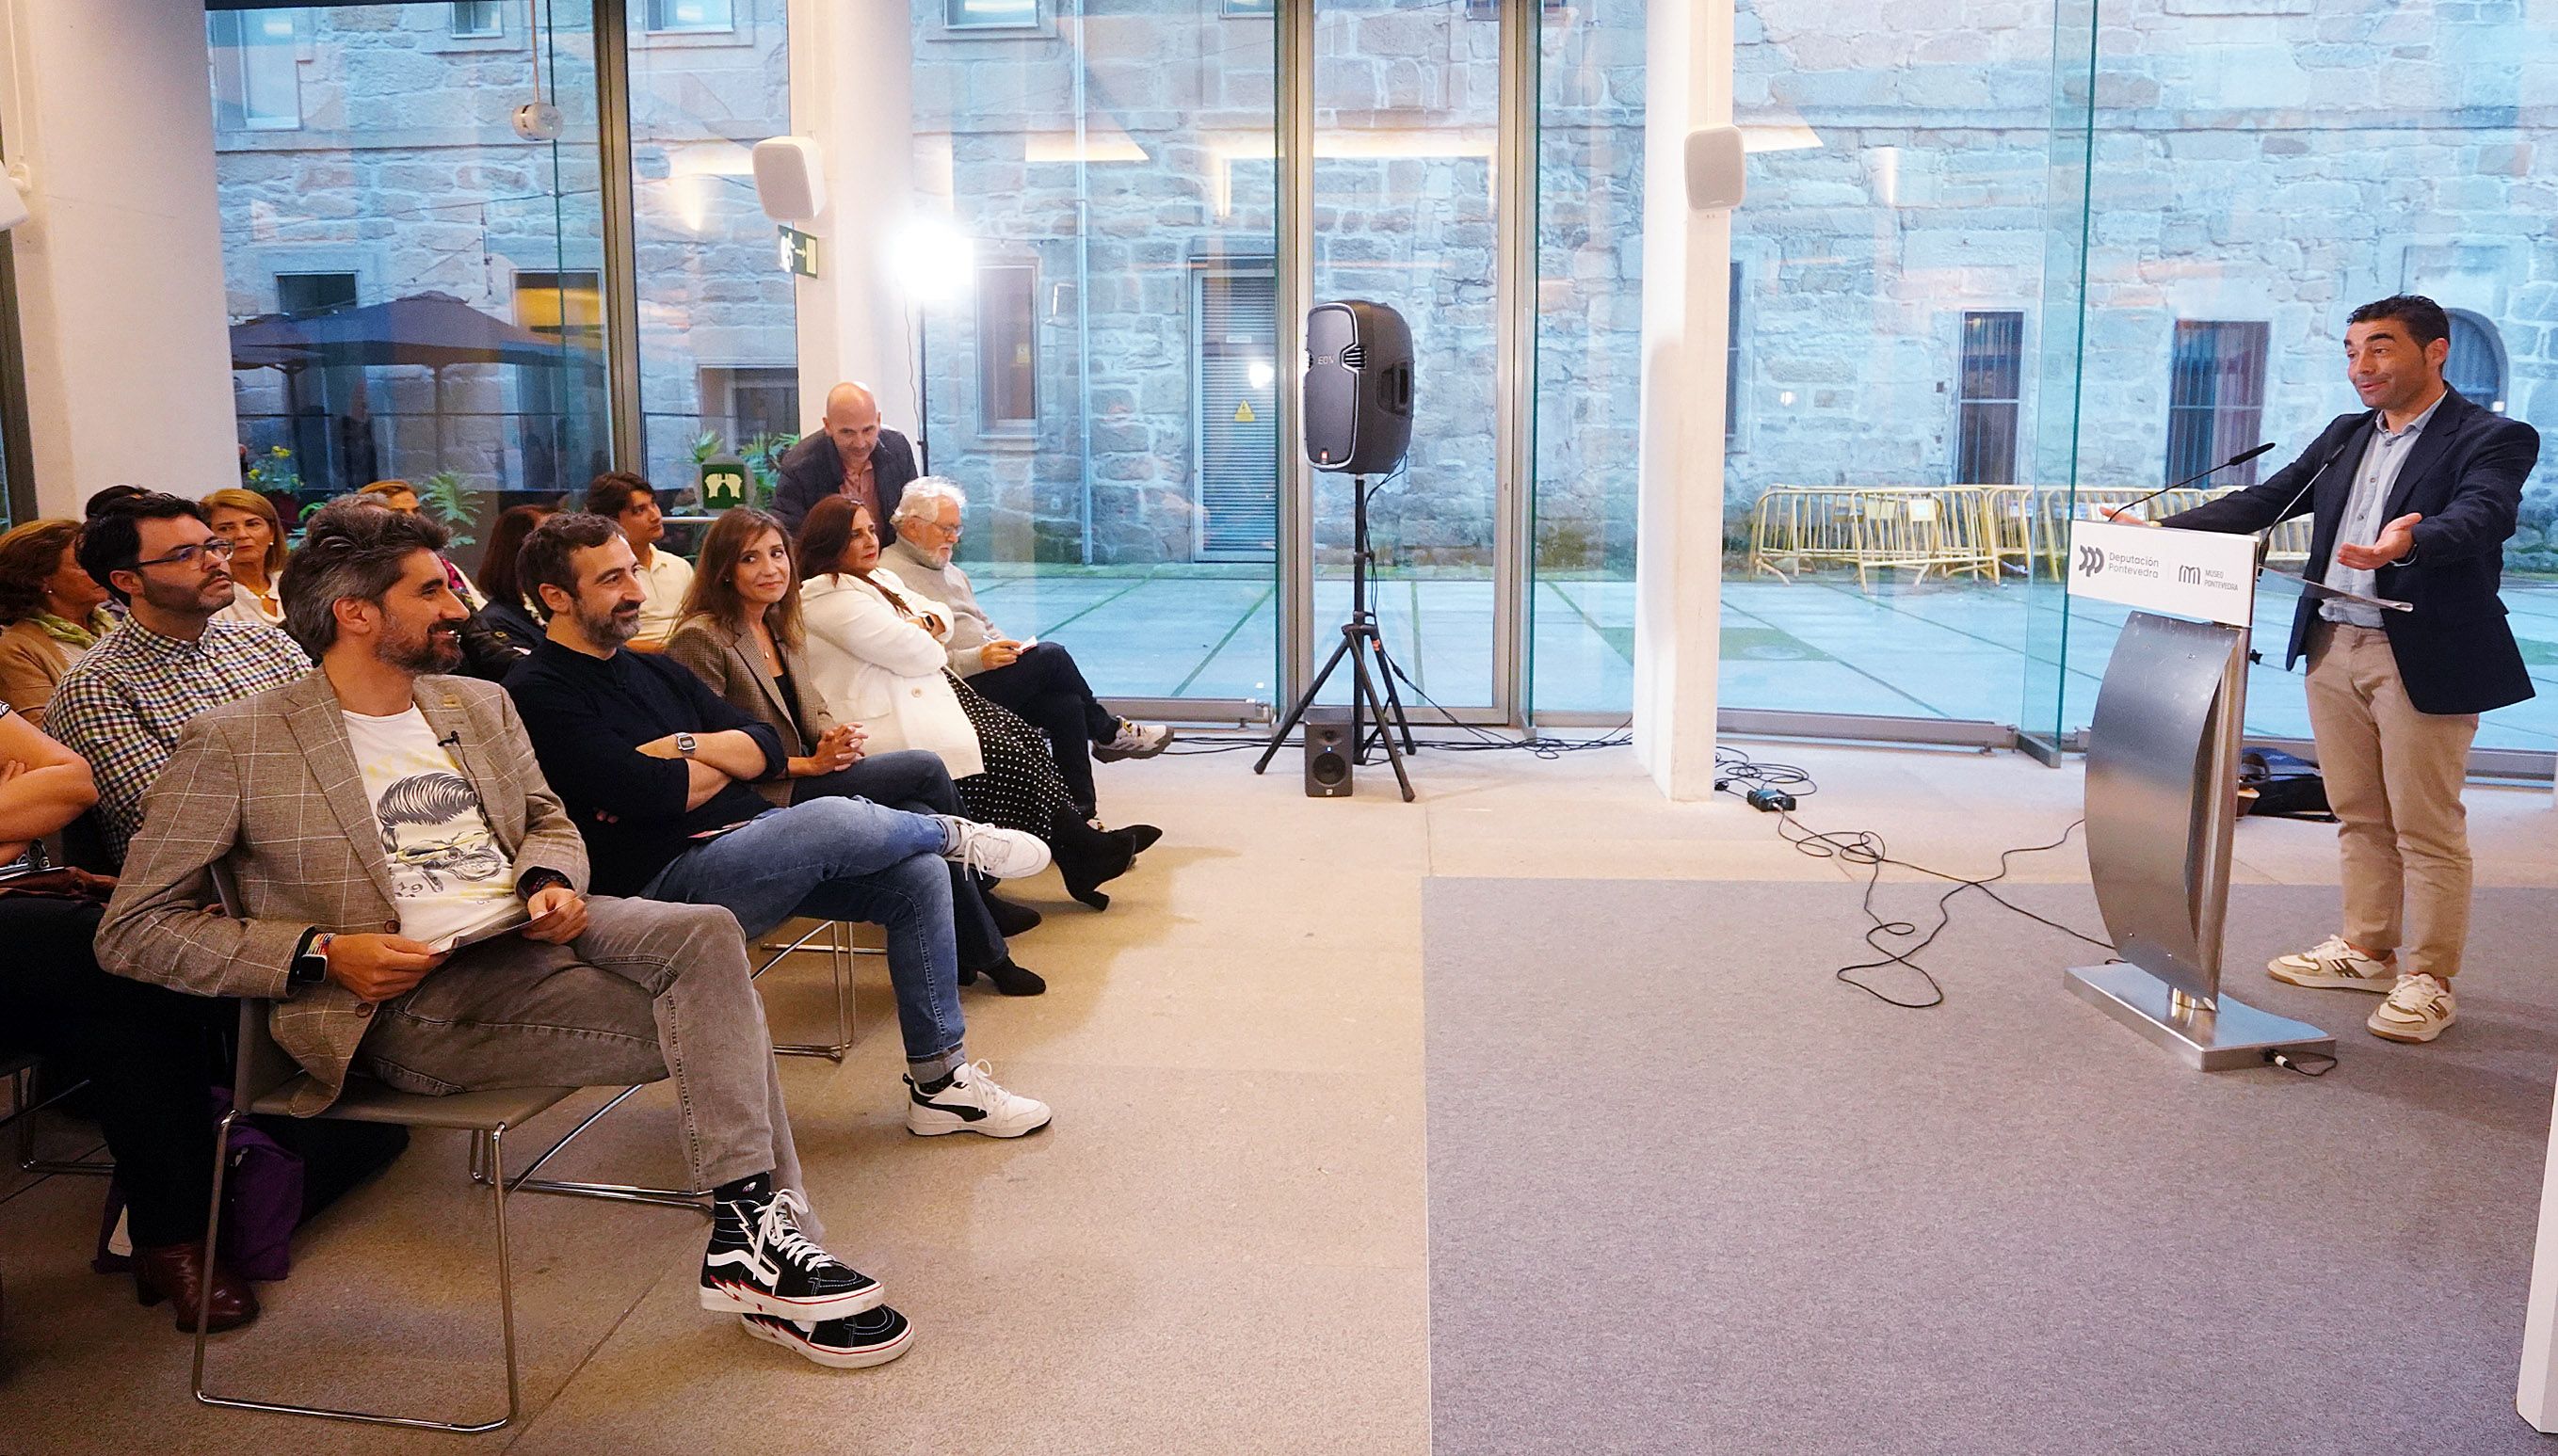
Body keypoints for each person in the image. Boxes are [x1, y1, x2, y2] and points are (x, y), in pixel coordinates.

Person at [92, 498, 916, 1369]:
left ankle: (751, 1242)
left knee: (706, 935)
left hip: (532, 931)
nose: (458, 608)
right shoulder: (239, 742)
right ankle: (768, 1246)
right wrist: (320, 953)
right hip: (409, 997)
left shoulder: (474, 702)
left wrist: (549, 877)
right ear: (356, 613)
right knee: (720, 1024)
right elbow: (133, 930)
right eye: (429, 593)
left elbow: (548, 819)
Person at [502, 511, 1058, 1134]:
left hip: (747, 838)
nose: (635, 590)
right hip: (663, 877)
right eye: (611, 579)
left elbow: (761, 742)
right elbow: (646, 793)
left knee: (917, 877)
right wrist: (716, 758)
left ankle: (939, 1084)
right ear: (555, 596)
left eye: (632, 570)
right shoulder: (536, 690)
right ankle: (956, 835)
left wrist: (685, 746)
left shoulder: (652, 668)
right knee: (823, 816)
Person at [2142, 295, 2541, 1046]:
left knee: (2424, 825)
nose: (2361, 367)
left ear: (2435, 351)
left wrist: (2408, 544)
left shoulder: (2491, 436)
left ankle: (2428, 976)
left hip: (2421, 650)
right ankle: (2367, 948)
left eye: (2380, 349)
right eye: (2352, 351)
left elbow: (2483, 515)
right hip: (2332, 641)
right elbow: (2264, 500)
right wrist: (2159, 533)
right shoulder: (2344, 435)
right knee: (2357, 812)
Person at [666, 507, 1046, 994]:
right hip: (763, 793)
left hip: (810, 772)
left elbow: (813, 705)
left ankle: (980, 942)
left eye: (778, 554)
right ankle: (976, 874)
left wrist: (831, 735)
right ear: (723, 570)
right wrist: (807, 762)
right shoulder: (702, 637)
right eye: (750, 559)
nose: (771, 569)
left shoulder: (780, 622)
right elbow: (702, 749)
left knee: (915, 809)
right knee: (926, 767)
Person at [0, 701, 253, 1333]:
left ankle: (170, 1242)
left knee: (122, 995)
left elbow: (71, 782)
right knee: (127, 955)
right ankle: (277, 981)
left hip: (33, 915)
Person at [797, 498, 1156, 911]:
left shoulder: (878, 577)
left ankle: (1082, 837)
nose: (868, 540)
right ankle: (1086, 823)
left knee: (1052, 714)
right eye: (855, 534)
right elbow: (924, 652)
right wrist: (928, 633)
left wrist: (927, 626)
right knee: (1023, 717)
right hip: (897, 713)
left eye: (870, 530)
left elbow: (941, 617)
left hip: (932, 694)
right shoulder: (828, 593)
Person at [884, 477, 1173, 818]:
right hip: (952, 692)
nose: (953, 539)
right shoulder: (888, 578)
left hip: (989, 677)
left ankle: (1080, 818)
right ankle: (1108, 731)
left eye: (958, 529)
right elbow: (916, 659)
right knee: (1052, 656)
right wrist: (979, 658)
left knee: (1065, 705)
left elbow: (984, 625)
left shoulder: (952, 571)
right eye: (946, 529)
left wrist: (1009, 650)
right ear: (913, 527)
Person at [45, 493, 311, 862]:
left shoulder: (267, 644)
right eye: (185, 555)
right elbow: (178, 825)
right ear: (128, 581)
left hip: (315, 847)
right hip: (214, 887)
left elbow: (338, 753)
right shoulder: (97, 686)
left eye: (214, 547)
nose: (216, 562)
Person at [0, 520, 117, 725]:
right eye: (84, 564)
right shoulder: (15, 649)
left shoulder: (111, 624)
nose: (102, 570)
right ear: (41, 579)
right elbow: (45, 730)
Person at [773, 382, 920, 538]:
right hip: (829, 561)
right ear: (828, 426)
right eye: (848, 432)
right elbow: (790, 537)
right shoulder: (800, 467)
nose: (860, 443)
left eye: (868, 430)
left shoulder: (897, 447)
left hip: (891, 558)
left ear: (878, 420)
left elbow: (915, 513)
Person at [586, 472, 691, 649]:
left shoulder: (679, 566)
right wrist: (670, 652)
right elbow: (600, 641)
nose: (655, 516)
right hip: (635, 665)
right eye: (639, 510)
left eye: (653, 504)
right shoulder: (603, 576)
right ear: (611, 521)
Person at [457, 504, 551, 678]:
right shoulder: (496, 622)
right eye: (552, 542)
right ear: (518, 553)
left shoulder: (559, 612)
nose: (567, 552)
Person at [201, 488, 290, 631]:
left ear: (272, 532)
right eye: (226, 528)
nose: (242, 535)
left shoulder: (294, 584)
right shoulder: (211, 599)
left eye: (252, 524)